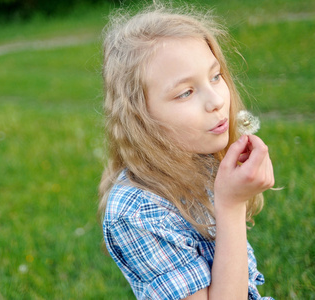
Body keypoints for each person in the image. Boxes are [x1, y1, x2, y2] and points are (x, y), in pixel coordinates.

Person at [99, 3, 275, 299]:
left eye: (216, 76)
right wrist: (230, 205)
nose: (216, 100)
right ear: (141, 117)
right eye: (185, 92)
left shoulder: (200, 158)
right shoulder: (136, 213)